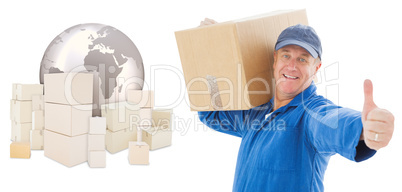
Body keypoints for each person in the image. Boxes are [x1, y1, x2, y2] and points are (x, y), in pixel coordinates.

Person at [198, 19, 395, 191]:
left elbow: (334, 122)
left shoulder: (311, 114)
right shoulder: (257, 114)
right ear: (275, 60)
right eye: (286, 55)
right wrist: (213, 49)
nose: (292, 66)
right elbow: (212, 113)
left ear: (316, 68)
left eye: (302, 59)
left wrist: (364, 128)